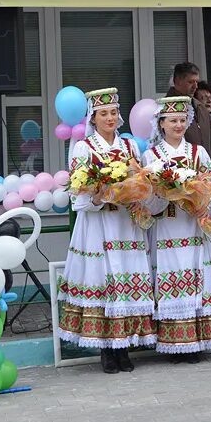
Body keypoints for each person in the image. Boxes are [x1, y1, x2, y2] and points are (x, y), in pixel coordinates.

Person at [58, 88, 156, 374]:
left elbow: (140, 183)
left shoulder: (129, 148)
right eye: (104, 114)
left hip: (126, 224)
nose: (110, 118)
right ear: (93, 117)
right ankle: (106, 350)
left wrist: (133, 189)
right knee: (104, 280)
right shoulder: (83, 148)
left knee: (125, 280)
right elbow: (78, 195)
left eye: (113, 113)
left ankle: (124, 347)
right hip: (99, 226)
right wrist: (100, 195)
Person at [141, 96, 211, 362]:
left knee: (196, 275)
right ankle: (173, 342)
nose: (179, 125)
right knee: (172, 274)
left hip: (193, 226)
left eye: (183, 120)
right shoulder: (151, 155)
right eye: (173, 120)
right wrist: (165, 193)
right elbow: (147, 200)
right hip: (167, 226)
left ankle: (197, 342)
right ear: (161, 124)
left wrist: (199, 200)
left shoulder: (198, 153)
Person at [168, 62, 211, 162]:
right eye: (190, 82)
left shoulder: (201, 108)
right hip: (182, 170)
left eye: (196, 82)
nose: (195, 86)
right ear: (177, 81)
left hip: (206, 170)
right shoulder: (167, 109)